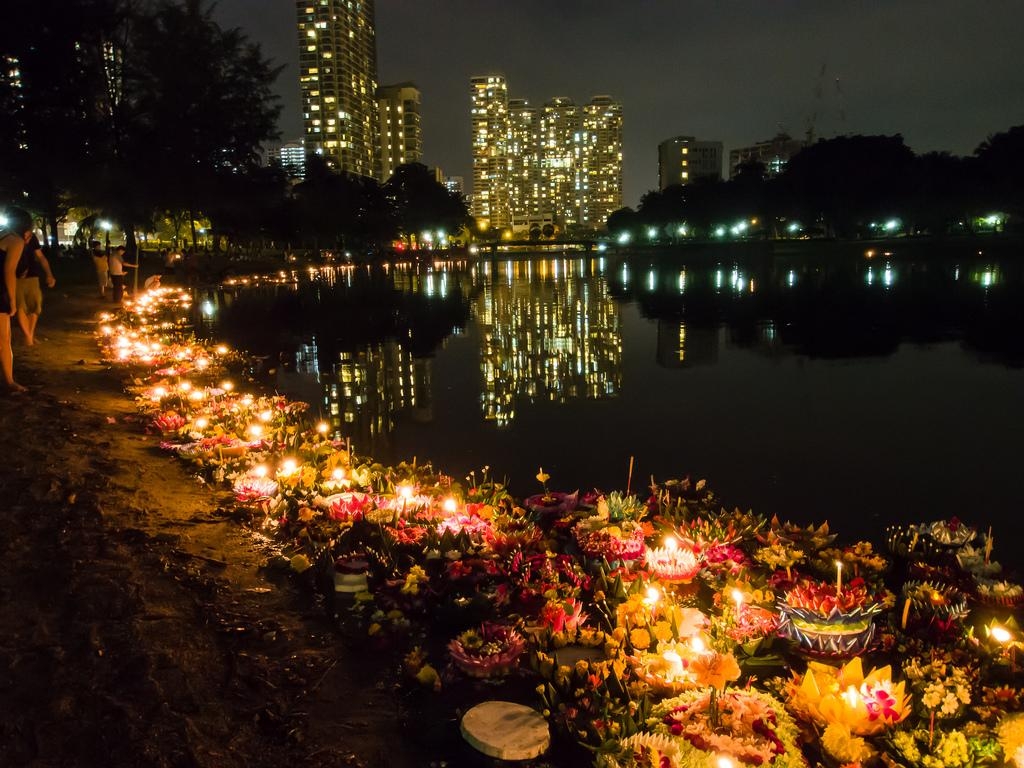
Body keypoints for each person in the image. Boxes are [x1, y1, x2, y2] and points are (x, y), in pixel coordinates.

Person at [0, 206, 34, 393]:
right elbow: (9, 271)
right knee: (4, 340)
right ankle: (10, 382)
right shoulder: (15, 240)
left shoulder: (2, 234)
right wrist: (12, 300)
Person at [15, 232, 56, 346]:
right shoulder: (12, 237)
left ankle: (30, 335)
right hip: (16, 277)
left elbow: (41, 256)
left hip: (33, 276)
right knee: (21, 307)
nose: (28, 237)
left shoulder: (33, 238)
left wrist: (49, 274)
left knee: (34, 306)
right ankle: (27, 337)